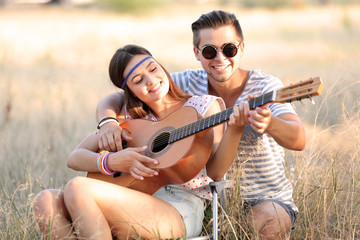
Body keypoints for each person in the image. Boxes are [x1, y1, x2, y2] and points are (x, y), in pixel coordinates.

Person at [95, 10, 306, 240]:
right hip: (208, 202)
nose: (220, 59)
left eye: (229, 49)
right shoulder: (187, 83)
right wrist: (107, 121)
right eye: (209, 51)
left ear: (241, 48)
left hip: (264, 197)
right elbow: (122, 96)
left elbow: (298, 139)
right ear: (197, 53)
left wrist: (270, 123)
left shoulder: (265, 87)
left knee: (264, 224)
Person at [33, 44, 248, 239]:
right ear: (130, 91)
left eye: (153, 69)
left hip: (179, 207)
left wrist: (236, 129)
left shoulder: (204, 107)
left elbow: (216, 173)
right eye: (138, 80)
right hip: (130, 197)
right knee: (45, 201)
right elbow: (75, 158)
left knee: (78, 187)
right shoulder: (132, 121)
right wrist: (113, 161)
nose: (151, 81)